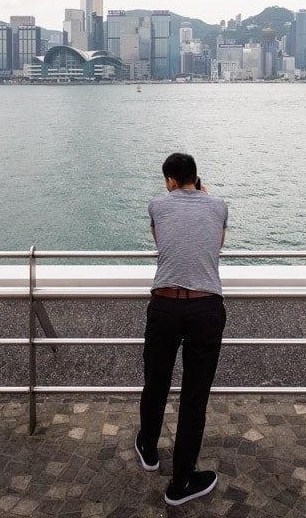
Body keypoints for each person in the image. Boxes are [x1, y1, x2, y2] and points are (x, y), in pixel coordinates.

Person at [135, 152, 228, 506]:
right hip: (206, 307)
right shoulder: (218, 205)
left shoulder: (157, 204)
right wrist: (204, 197)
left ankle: (148, 448)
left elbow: (163, 243)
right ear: (196, 178)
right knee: (194, 395)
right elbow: (216, 245)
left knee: (156, 380)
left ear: (170, 181)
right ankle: (182, 482)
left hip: (165, 304)